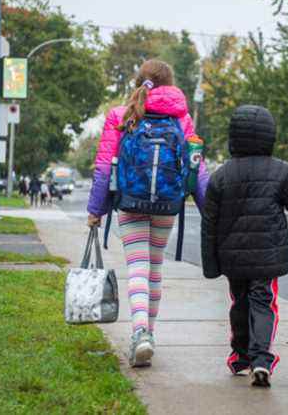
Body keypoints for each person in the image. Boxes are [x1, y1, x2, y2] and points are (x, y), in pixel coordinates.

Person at [86, 59, 209, 368]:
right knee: (155, 268)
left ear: (138, 81)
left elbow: (104, 168)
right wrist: (210, 210)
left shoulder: (120, 114)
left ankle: (140, 333)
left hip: (130, 202)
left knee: (137, 267)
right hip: (167, 205)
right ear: (170, 83)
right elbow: (197, 167)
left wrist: (95, 210)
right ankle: (148, 334)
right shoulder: (181, 118)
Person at [201, 105, 288, 388]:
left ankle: (240, 357)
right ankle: (262, 359)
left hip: (232, 258)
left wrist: (211, 265)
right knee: (263, 303)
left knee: (240, 304)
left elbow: (209, 223)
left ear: (233, 137)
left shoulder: (221, 176)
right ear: (270, 137)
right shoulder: (281, 172)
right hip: (267, 256)